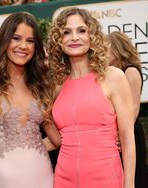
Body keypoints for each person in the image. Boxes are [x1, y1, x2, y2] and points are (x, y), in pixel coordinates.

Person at [0, 12, 60, 188]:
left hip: (41, 173)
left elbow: (56, 138)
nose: (23, 46)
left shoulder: (41, 84)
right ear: (4, 40)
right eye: (16, 38)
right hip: (3, 178)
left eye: (30, 41)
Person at [48, 7, 136, 188]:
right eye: (66, 32)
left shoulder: (113, 77)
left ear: (92, 36)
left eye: (81, 30)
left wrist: (130, 184)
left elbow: (127, 139)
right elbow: (56, 137)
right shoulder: (57, 85)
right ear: (59, 41)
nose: (74, 37)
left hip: (106, 178)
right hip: (64, 179)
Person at [107, 31, 147, 188]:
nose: (102, 53)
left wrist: (121, 133)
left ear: (117, 50)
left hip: (128, 135)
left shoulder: (130, 70)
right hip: (119, 134)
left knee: (133, 178)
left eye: (106, 49)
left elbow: (134, 108)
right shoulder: (113, 74)